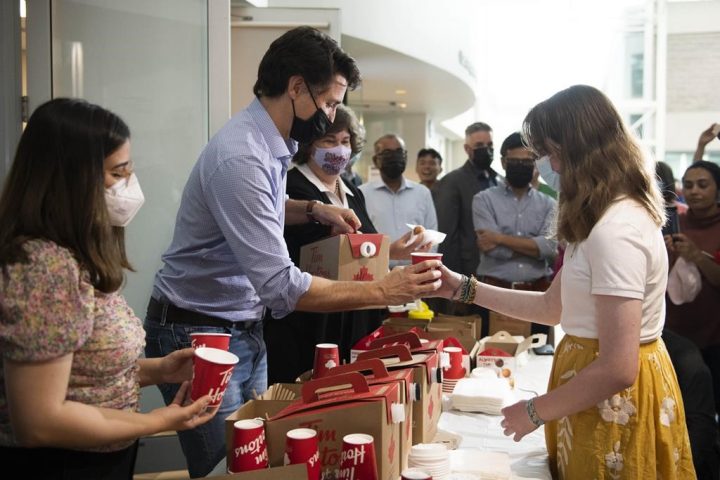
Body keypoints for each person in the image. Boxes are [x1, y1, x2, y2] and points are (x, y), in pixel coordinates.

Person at [144, 27, 441, 477]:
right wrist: (384, 288)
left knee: (261, 460)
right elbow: (282, 285)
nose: (331, 117)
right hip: (199, 333)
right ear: (296, 87)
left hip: (242, 325)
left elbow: (259, 211)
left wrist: (312, 210)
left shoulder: (269, 144)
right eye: (329, 103)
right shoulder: (242, 156)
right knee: (230, 467)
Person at [434, 85, 695, 478]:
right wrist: (461, 287)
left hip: (613, 400)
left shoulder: (616, 229)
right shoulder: (597, 221)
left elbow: (618, 367)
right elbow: (550, 307)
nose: (550, 167)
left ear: (584, 150)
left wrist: (535, 411)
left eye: (553, 153)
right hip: (590, 389)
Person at [0, 98, 216, 480]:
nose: (129, 186)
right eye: (118, 173)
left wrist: (160, 370)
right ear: (71, 180)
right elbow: (39, 420)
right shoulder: (44, 267)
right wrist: (156, 421)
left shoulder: (71, 254)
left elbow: (82, 372)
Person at [266, 105, 428, 382]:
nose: (339, 149)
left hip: (357, 311)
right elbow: (325, 251)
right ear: (309, 145)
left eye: (345, 141)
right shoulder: (293, 188)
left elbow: (363, 247)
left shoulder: (352, 191)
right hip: (313, 316)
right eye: (329, 141)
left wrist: (396, 250)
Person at [472, 132, 557, 340]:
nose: (521, 165)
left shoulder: (549, 204)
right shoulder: (483, 200)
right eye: (515, 161)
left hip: (537, 295)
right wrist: (532, 247)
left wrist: (500, 238)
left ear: (535, 164)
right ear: (503, 162)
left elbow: (548, 249)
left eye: (527, 161)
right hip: (493, 293)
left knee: (537, 362)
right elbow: (491, 249)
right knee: (492, 360)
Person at [664, 161, 720, 423]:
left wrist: (696, 256)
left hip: (714, 336)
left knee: (707, 414)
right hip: (674, 332)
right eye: (688, 185)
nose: (695, 191)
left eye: (703, 184)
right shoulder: (674, 222)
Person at [433, 122, 498, 314]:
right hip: (469, 275)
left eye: (490, 146)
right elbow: (447, 237)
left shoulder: (497, 180)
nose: (486, 150)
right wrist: (459, 286)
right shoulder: (452, 182)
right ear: (467, 149)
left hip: (495, 276)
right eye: (479, 146)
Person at [359, 134, 438, 267]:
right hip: (376, 272)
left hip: (416, 271)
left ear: (405, 156)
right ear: (375, 160)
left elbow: (433, 237)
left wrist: (425, 267)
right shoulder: (361, 194)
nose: (394, 157)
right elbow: (359, 239)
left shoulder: (422, 193)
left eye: (399, 152)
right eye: (387, 153)